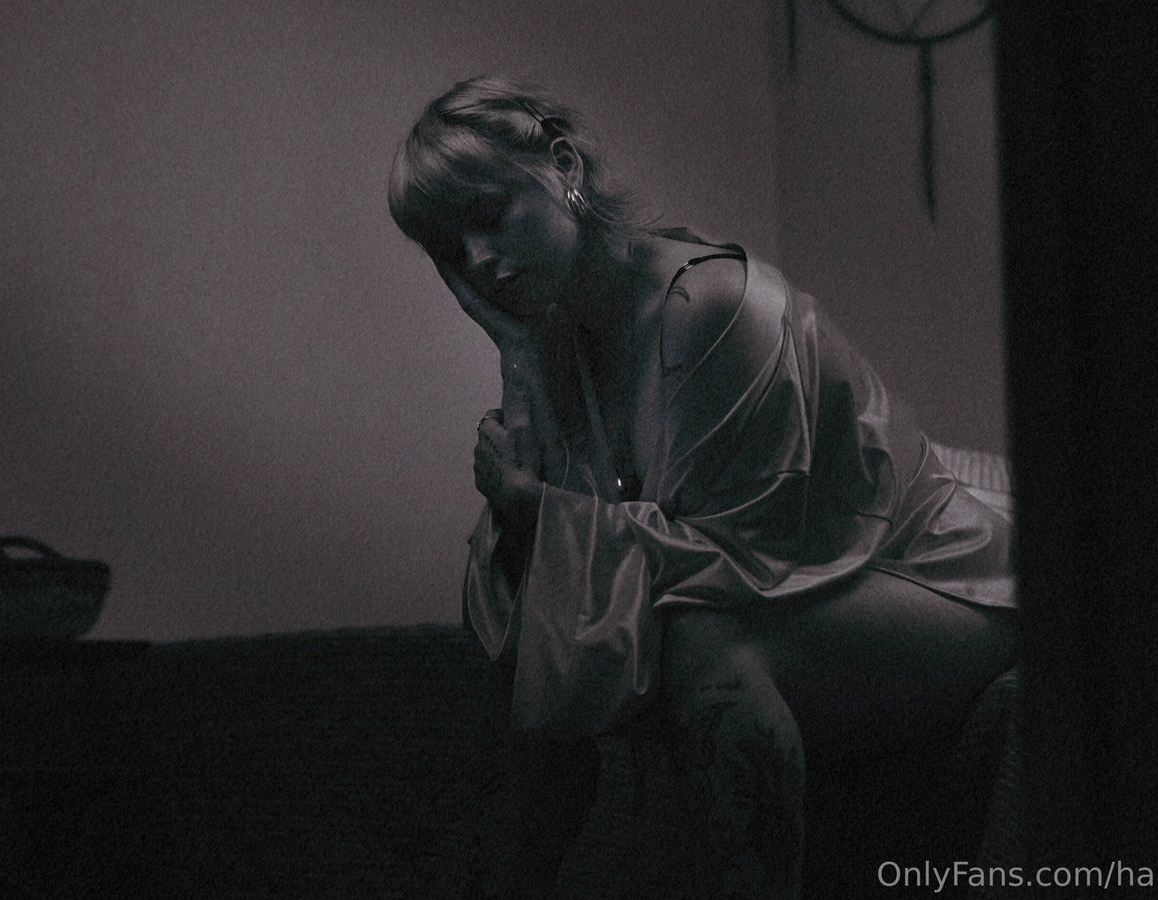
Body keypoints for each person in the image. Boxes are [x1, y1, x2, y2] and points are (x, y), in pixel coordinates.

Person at [388, 76, 1019, 899]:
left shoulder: (711, 307)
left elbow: (737, 564)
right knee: (541, 667)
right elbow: (529, 611)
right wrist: (514, 352)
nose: (475, 259)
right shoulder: (556, 337)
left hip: (942, 581)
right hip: (819, 593)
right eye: (447, 248)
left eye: (488, 214)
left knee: (705, 643)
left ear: (564, 167)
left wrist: (535, 510)